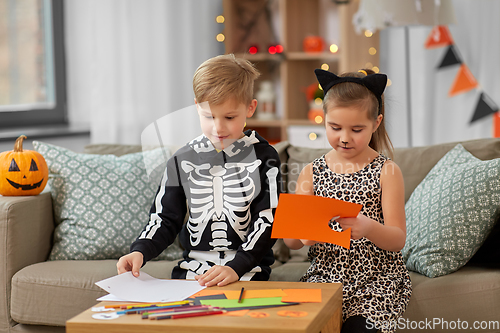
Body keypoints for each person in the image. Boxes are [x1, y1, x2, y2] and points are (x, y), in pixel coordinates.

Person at [117, 54, 281, 287]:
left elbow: (268, 219)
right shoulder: (181, 159)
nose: (219, 127)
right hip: (193, 271)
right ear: (196, 107)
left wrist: (238, 265)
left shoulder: (265, 157)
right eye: (209, 116)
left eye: (230, 117)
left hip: (247, 269)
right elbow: (164, 218)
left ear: (250, 108)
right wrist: (140, 252)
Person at [284, 69, 411, 333]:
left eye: (356, 129)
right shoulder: (310, 172)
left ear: (376, 123)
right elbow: (291, 241)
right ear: (324, 120)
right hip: (324, 279)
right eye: (335, 127)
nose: (344, 137)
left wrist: (370, 228)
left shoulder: (387, 171)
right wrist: (304, 234)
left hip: (376, 282)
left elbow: (398, 238)